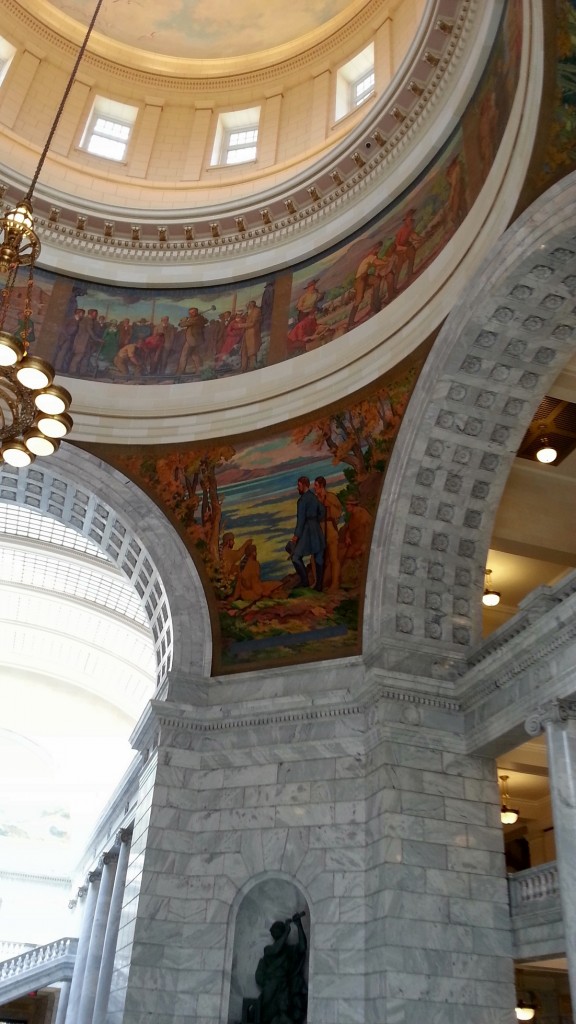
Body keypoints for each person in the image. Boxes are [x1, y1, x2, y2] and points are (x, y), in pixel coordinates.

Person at [255, 913, 308, 1024]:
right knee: (265, 1015)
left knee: (285, 1014)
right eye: (275, 929)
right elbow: (276, 950)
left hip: (284, 986)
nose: (276, 931)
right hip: (271, 985)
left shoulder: (289, 951)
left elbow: (302, 947)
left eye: (280, 929)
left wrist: (299, 925)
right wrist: (287, 932)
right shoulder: (268, 949)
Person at [290, 476, 325, 590]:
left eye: (299, 485)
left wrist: (296, 535)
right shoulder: (314, 497)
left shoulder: (302, 501)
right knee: (318, 555)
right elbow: (322, 512)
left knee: (295, 557)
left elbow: (301, 520)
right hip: (316, 528)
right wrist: (315, 521)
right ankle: (319, 585)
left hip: (306, 530)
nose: (297, 488)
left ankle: (305, 581)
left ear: (304, 485)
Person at [314, 476, 342, 591]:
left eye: (315, 485)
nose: (314, 488)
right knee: (315, 557)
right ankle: (317, 583)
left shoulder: (331, 497)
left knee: (333, 558)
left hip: (330, 530)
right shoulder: (314, 499)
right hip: (319, 530)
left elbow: (338, 513)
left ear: (321, 486)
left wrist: (328, 505)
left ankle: (335, 583)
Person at [176, 307, 208, 375]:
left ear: (196, 312)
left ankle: (180, 372)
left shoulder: (195, 319)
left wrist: (184, 320)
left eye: (192, 312)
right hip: (196, 340)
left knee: (184, 355)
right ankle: (199, 371)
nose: (190, 314)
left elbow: (181, 325)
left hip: (192, 340)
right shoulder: (199, 318)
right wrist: (188, 319)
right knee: (195, 355)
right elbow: (205, 320)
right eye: (189, 313)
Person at [241, 300, 262, 372]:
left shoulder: (257, 311)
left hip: (253, 334)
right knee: (244, 351)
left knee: (252, 352)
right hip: (246, 334)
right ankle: (243, 368)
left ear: (253, 304)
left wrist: (240, 325)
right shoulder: (248, 312)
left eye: (249, 304)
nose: (248, 306)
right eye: (248, 305)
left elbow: (252, 323)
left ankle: (252, 367)